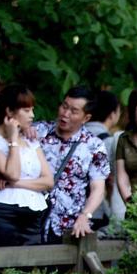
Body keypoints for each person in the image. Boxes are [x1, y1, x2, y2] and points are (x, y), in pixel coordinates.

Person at [0, 83, 53, 246]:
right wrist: (13, 140)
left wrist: (15, 184)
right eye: (26, 110)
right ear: (10, 111)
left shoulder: (30, 140)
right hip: (3, 211)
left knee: (32, 268)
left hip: (34, 212)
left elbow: (48, 181)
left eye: (32, 109)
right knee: (2, 266)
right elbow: (12, 173)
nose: (32, 115)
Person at [36, 85, 110, 241]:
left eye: (74, 111)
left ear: (86, 118)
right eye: (64, 107)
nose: (65, 114)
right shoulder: (38, 131)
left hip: (68, 226)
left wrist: (85, 215)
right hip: (31, 219)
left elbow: (98, 188)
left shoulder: (94, 145)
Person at [84, 90, 125, 228]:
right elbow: (112, 180)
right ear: (113, 114)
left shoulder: (75, 136)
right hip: (96, 211)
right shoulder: (109, 142)